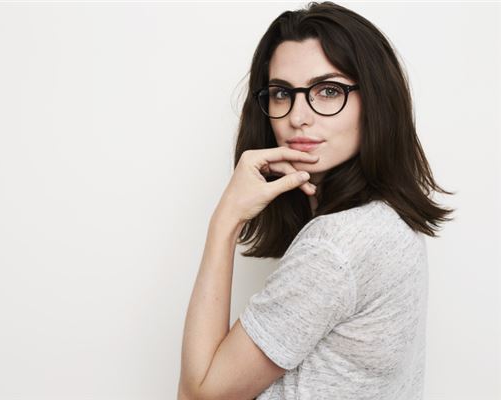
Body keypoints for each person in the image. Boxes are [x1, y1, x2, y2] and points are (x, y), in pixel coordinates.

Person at [178, 2, 455, 399]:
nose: (298, 116)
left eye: (328, 91)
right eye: (281, 93)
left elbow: (198, 395)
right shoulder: (385, 220)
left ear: (375, 100)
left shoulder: (334, 247)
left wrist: (225, 221)